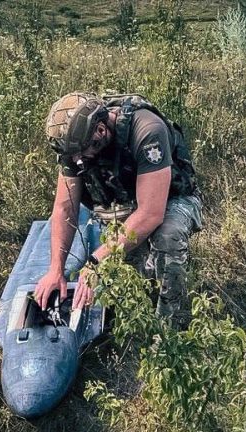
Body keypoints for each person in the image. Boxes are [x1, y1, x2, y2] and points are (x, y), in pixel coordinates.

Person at [33, 92, 202, 327]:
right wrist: (56, 270)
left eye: (83, 152)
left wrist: (95, 262)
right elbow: (64, 209)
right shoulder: (75, 147)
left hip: (171, 199)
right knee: (133, 277)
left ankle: (169, 324)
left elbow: (151, 214)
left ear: (101, 130)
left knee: (166, 237)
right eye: (74, 156)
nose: (79, 160)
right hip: (123, 204)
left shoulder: (147, 130)